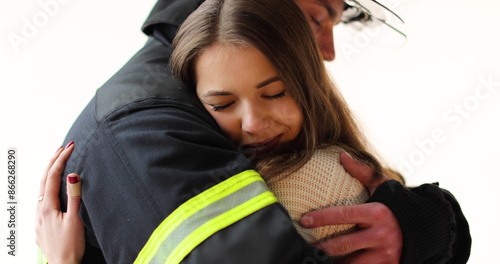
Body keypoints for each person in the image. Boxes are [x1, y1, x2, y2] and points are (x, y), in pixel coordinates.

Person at [36, 0, 471, 263]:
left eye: (276, 92)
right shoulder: (145, 129)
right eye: (319, 17)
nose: (329, 51)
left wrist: (424, 224)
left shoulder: (297, 152)